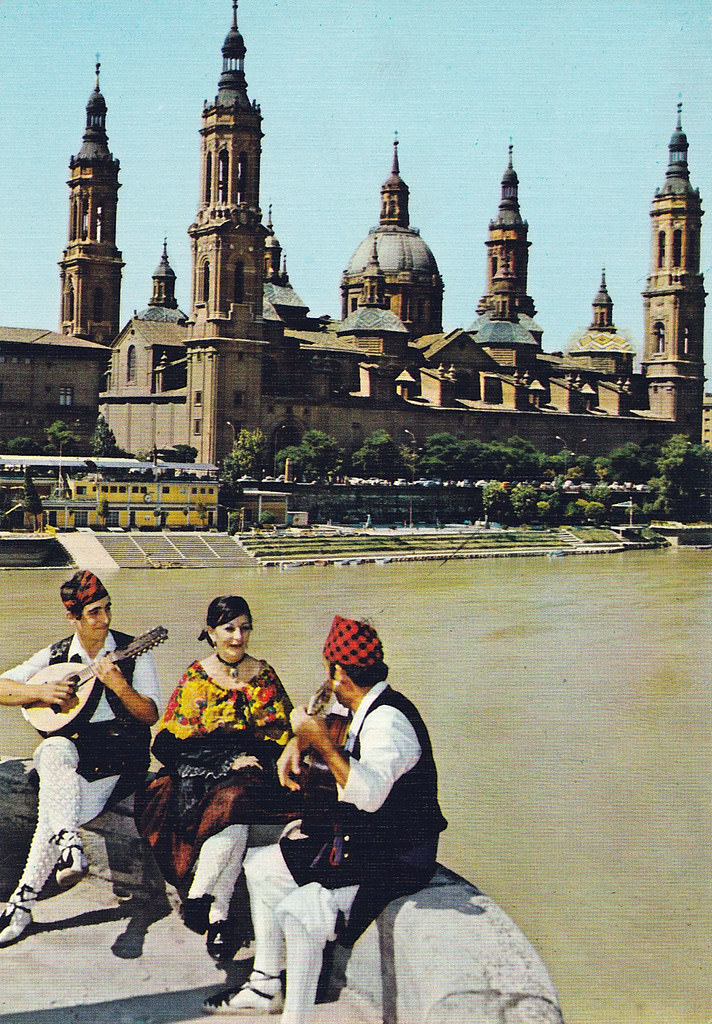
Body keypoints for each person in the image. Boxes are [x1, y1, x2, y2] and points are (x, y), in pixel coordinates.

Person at [203, 614, 447, 1022]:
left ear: (341, 673)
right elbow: (323, 712)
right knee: (260, 865)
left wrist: (320, 744)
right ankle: (265, 985)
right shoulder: (357, 699)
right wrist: (297, 743)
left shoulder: (389, 722)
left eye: (331, 672)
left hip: (397, 856)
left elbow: (368, 796)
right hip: (361, 840)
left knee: (302, 913)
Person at [0, 569, 161, 947]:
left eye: (107, 609)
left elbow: (151, 715)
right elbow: (2, 687)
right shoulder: (56, 655)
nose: (104, 620)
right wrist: (40, 690)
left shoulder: (132, 652)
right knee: (52, 749)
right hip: (71, 754)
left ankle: (22, 902)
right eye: (94, 612)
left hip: (118, 759)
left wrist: (119, 686)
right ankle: (69, 844)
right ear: (72, 617)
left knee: (55, 810)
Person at [134, 595, 300, 961]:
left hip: (253, 776)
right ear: (211, 633)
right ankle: (218, 915)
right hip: (203, 773)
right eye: (229, 629)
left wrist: (255, 759)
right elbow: (165, 744)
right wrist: (224, 762)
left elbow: (286, 736)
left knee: (236, 802)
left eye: (245, 628)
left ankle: (197, 897)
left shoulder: (265, 675)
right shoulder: (196, 677)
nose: (238, 637)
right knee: (233, 820)